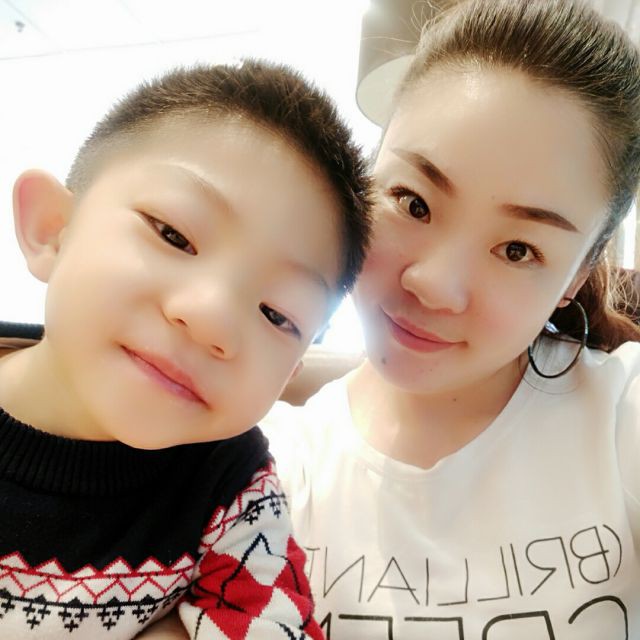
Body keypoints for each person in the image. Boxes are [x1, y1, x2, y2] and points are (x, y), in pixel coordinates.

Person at [262, 1, 640, 638]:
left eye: (517, 250)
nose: (434, 285)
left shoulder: (620, 418)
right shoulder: (268, 466)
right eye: (413, 202)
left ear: (574, 277)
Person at [0, 59, 371, 639]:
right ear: (52, 228)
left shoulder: (235, 492)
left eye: (277, 314)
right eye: (174, 234)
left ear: (290, 370)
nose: (212, 319)